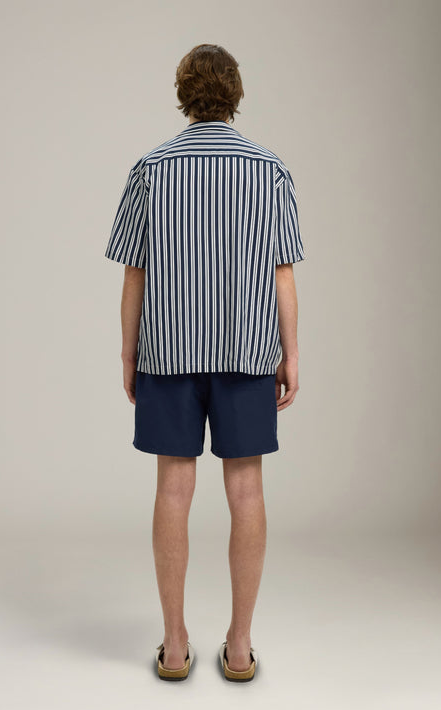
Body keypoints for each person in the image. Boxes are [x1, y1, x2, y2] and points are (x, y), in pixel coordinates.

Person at [104, 43, 305, 681]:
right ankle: (239, 648)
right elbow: (283, 273)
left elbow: (133, 274)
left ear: (184, 93)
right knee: (246, 491)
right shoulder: (270, 170)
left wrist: (130, 352)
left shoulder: (151, 169)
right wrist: (291, 353)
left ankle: (173, 646)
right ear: (235, 94)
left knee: (172, 489)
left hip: (168, 352)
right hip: (248, 352)